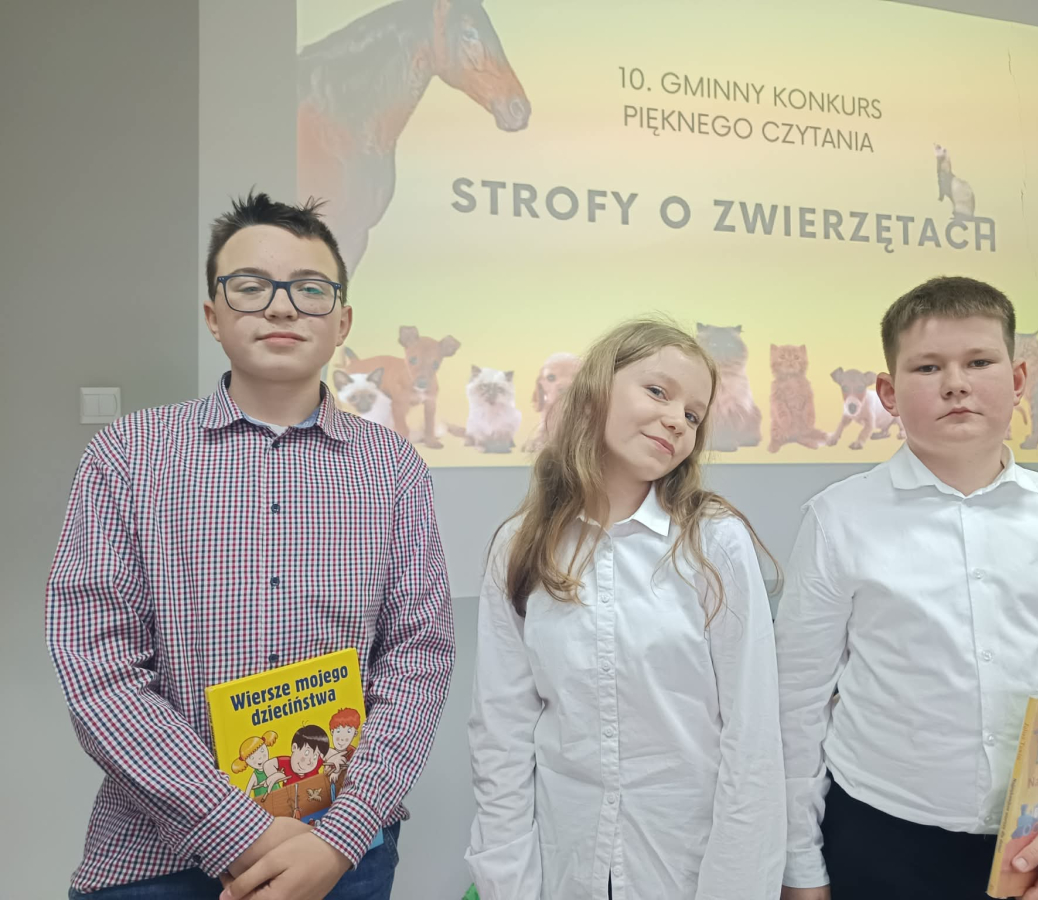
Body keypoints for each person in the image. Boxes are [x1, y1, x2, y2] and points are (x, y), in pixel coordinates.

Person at [46, 191, 455, 900]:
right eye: (251, 286)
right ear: (214, 314)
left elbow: (417, 657)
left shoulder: (393, 468)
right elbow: (98, 666)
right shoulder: (129, 455)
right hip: (156, 856)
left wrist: (342, 835)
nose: (282, 307)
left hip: (342, 853)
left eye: (310, 289)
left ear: (342, 321)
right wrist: (239, 830)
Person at [776, 276, 1038, 900]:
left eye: (979, 362)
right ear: (887, 393)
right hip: (882, 841)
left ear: (1018, 380)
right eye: (927, 367)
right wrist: (801, 868)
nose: (955, 384)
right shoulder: (838, 520)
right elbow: (795, 706)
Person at [465, 318, 786, 900]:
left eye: (693, 415)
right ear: (594, 391)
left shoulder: (715, 542)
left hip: (686, 868)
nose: (677, 420)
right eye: (659, 392)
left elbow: (752, 737)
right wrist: (507, 883)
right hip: (566, 867)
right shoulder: (519, 545)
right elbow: (502, 733)